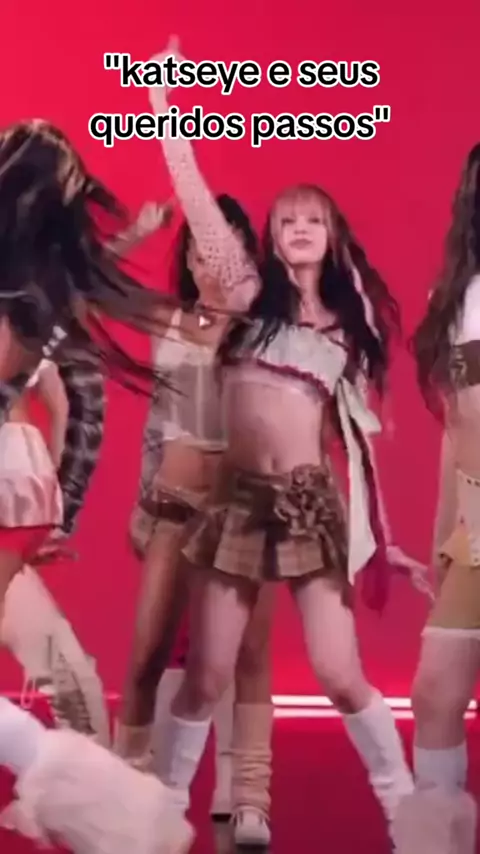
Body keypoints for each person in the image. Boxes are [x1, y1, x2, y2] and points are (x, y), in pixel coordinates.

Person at [145, 36, 430, 848]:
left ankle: (408, 812)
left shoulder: (347, 327)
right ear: (268, 237)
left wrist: (383, 542)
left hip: (309, 504)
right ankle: (157, 815)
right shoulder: (244, 292)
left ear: (333, 235)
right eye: (287, 219)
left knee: (340, 673)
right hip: (237, 502)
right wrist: (165, 104)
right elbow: (196, 197)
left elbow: (356, 448)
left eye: (314, 219)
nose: (300, 228)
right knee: (205, 675)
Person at [0, 117, 193, 853]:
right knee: (65, 673)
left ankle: (103, 805)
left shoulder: (29, 293)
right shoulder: (39, 290)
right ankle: (100, 801)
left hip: (13, 492)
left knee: (67, 675)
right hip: (17, 494)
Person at [116, 194, 275, 846]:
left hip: (245, 503)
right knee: (149, 652)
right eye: (200, 246)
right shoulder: (168, 319)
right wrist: (135, 233)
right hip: (175, 502)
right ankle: (129, 791)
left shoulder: (263, 330)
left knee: (249, 654)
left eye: (225, 244)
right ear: (185, 258)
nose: (211, 257)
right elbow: (90, 291)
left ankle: (249, 797)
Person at [393, 144, 480, 853]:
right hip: (476, 521)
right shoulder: (458, 299)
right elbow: (459, 423)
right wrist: (444, 534)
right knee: (435, 694)